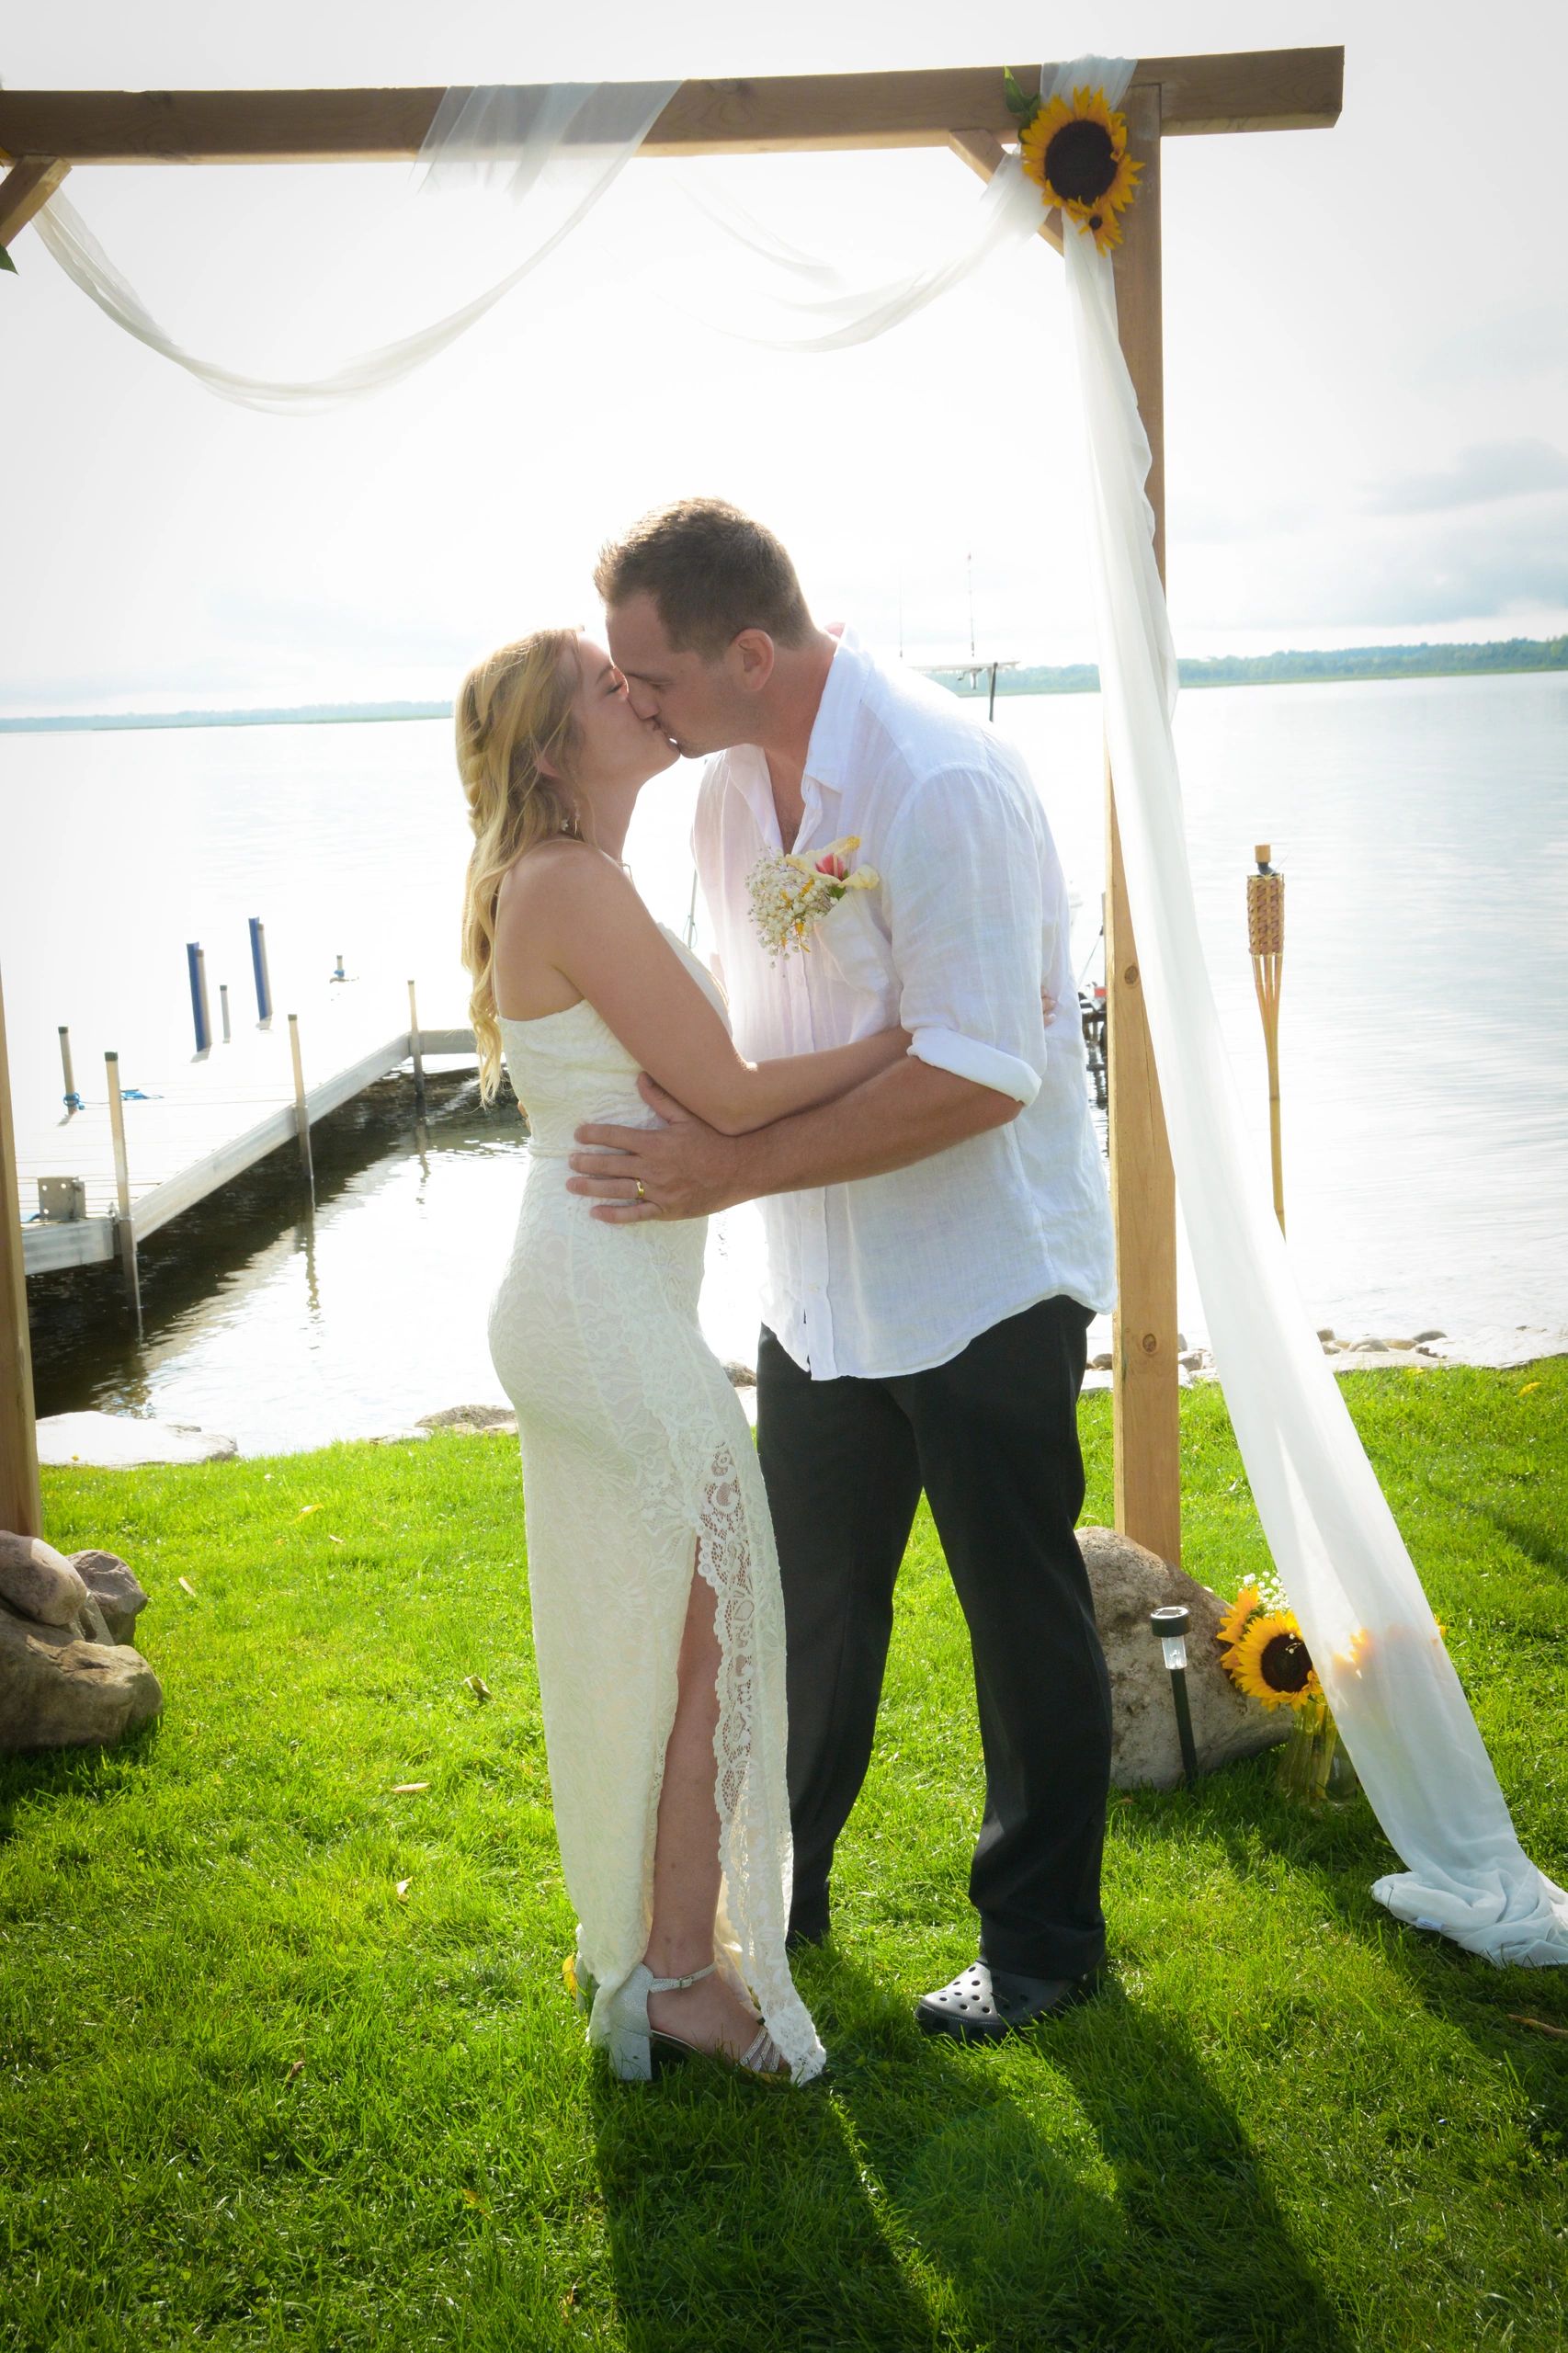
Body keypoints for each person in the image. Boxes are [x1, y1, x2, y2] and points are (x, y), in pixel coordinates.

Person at [567, 499, 1118, 2040]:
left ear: (748, 652)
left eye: (650, 679)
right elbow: (738, 1027)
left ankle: (1043, 1946)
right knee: (795, 1612)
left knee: (1016, 1611)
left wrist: (731, 1167)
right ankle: (771, 1906)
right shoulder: (722, 794)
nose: (635, 707)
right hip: (815, 1294)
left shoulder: (941, 783)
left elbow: (978, 1073)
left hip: (981, 1277)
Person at [461, 626, 910, 2085]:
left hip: (605, 1300)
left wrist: (733, 1117)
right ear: (551, 748)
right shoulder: (571, 884)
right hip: (594, 1305)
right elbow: (720, 1090)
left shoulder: (585, 881)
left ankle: (659, 1953)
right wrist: (913, 1040)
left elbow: (712, 1107)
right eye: (609, 688)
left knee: (669, 1635)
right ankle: (672, 1972)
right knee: (719, 1622)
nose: (638, 696)